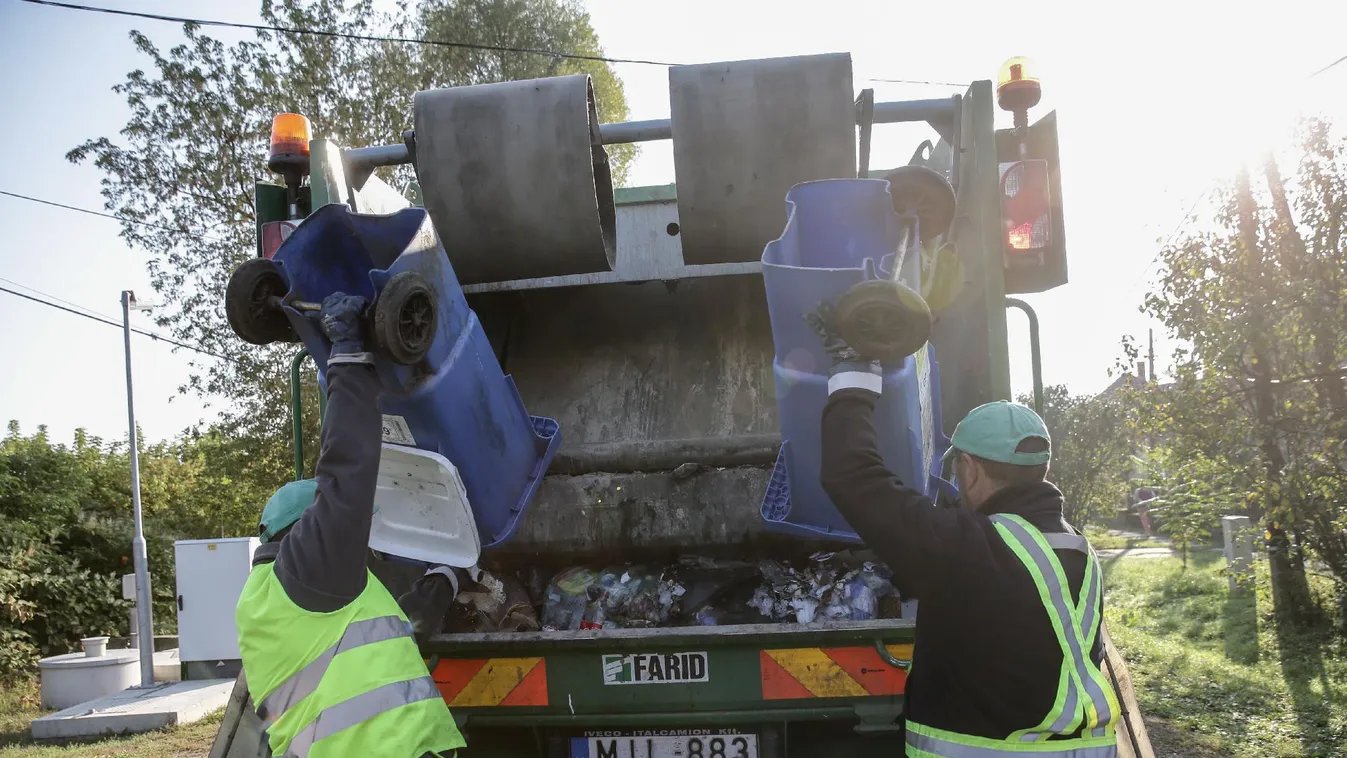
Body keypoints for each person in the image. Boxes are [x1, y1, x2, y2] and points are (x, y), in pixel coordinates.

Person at [809, 303, 1118, 758]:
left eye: (956, 472)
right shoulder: (1076, 549)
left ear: (970, 470)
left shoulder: (966, 547)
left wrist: (854, 370)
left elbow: (853, 476)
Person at [235, 293, 467, 758]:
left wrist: (446, 579)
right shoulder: (309, 565)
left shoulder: (277, 599)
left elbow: (385, 632)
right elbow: (345, 473)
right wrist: (348, 355)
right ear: (305, 526)